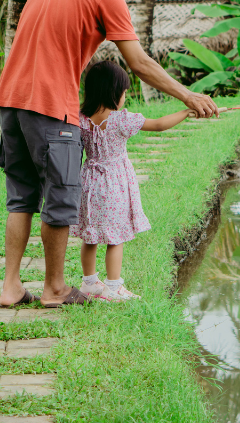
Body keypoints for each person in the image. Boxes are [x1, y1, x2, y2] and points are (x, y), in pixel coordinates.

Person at [0, 0, 218, 308]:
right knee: (61, 200)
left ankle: (11, 286)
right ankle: (55, 288)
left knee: (21, 197)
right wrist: (188, 96)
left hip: (11, 100)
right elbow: (139, 62)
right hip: (49, 106)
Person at [74, 61, 193, 301]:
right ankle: (113, 287)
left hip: (89, 183)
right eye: (124, 93)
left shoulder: (81, 118)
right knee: (115, 238)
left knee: (91, 236)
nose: (125, 98)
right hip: (113, 184)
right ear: (113, 92)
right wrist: (187, 111)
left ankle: (89, 283)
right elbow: (159, 125)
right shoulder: (120, 120)